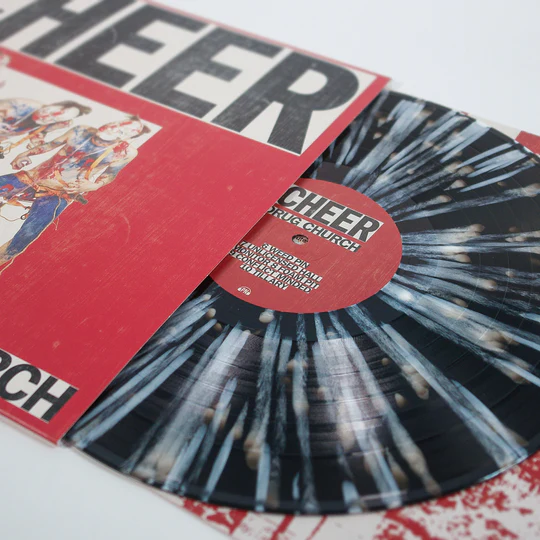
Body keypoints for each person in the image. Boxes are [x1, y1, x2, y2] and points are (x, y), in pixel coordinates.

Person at [0, 116, 150, 264]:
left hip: (60, 192)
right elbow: (51, 144)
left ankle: (4, 256)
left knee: (29, 233)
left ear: (127, 137)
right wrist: (25, 153)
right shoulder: (81, 131)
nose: (113, 129)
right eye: (117, 124)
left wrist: (94, 185)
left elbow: (110, 173)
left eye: (123, 131)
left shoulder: (126, 152)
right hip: (32, 177)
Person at [0, 99, 92, 155]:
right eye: (51, 111)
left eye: (55, 119)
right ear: (52, 104)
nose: (46, 117)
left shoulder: (42, 122)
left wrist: (37, 142)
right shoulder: (21, 106)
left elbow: (38, 133)